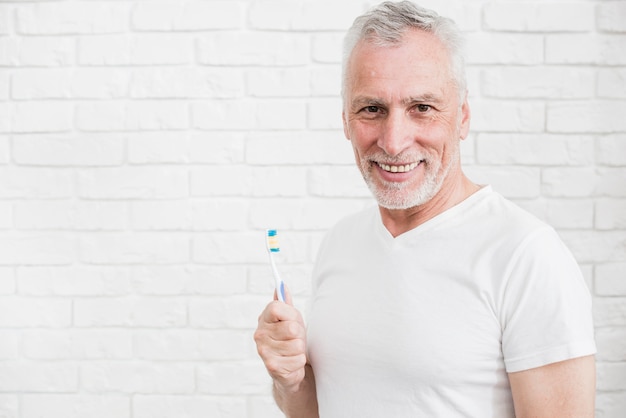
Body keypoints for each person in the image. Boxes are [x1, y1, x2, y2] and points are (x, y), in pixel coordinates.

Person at [254, 1, 597, 417]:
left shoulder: (526, 256)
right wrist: (290, 380)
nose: (394, 141)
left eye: (422, 108)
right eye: (372, 109)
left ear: (463, 116)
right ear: (345, 120)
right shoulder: (341, 242)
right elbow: (317, 410)